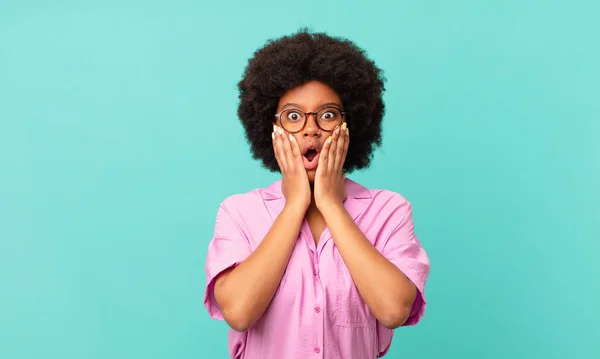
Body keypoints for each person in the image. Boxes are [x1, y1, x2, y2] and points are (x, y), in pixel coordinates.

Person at [203, 29, 430, 359]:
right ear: (272, 128)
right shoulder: (239, 212)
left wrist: (329, 204)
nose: (311, 128)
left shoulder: (389, 210)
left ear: (350, 125)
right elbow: (238, 312)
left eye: (327, 115)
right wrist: (296, 204)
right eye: (293, 116)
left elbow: (394, 309)